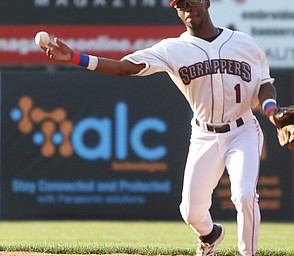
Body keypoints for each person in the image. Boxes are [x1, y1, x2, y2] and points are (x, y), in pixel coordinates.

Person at [42, 0, 280, 255]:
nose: (188, 8)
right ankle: (210, 234)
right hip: (204, 135)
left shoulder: (243, 43)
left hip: (242, 131)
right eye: (181, 5)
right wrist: (76, 58)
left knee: (244, 195)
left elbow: (265, 83)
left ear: (207, 2)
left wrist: (272, 112)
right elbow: (125, 68)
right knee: (190, 212)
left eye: (193, 1)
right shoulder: (173, 49)